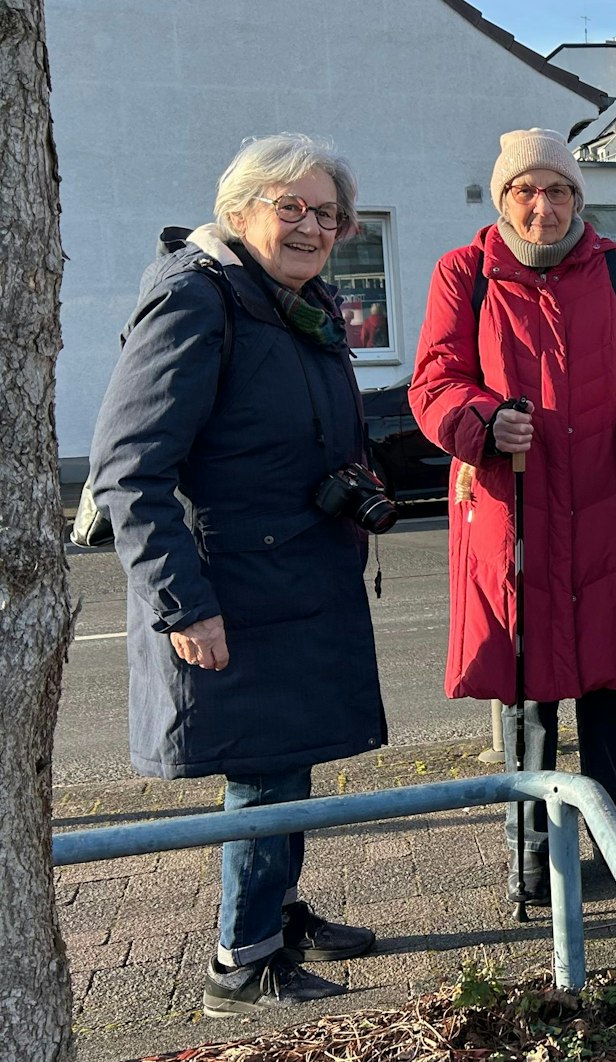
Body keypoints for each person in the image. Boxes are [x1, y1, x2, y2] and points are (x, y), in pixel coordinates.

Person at [89, 134, 388, 1015]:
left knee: (287, 762)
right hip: (234, 592)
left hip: (298, 578)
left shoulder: (294, 302)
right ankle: (241, 960)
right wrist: (185, 604)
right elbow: (128, 469)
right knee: (260, 767)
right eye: (289, 206)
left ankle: (279, 912)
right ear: (238, 211)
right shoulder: (196, 299)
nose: (311, 226)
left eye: (326, 214)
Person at [410, 129, 616, 906]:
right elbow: (435, 382)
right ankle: (531, 856)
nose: (543, 205)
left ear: (578, 198)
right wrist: (483, 422)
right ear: (504, 199)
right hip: (516, 509)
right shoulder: (462, 275)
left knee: (607, 688)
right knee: (528, 691)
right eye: (526, 191)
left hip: (607, 502)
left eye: (559, 190)